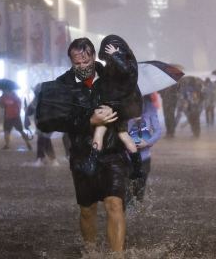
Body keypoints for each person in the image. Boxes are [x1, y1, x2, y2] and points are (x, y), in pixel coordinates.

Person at [39, 38, 128, 253]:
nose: (82, 67)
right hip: (82, 153)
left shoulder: (112, 77)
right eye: (76, 64)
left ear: (94, 57)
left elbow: (130, 105)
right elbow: (51, 121)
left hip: (112, 150)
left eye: (86, 63)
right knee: (88, 210)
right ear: (70, 61)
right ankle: (91, 253)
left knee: (114, 204)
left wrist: (116, 116)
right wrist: (89, 121)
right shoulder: (61, 86)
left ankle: (118, 256)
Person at [79, 35, 144, 180]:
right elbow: (108, 79)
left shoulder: (128, 66)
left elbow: (126, 71)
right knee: (123, 135)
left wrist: (115, 55)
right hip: (119, 106)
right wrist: (98, 65)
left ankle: (92, 164)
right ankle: (138, 167)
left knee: (100, 131)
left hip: (114, 106)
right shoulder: (121, 67)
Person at [126, 95, 162, 205]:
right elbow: (118, 130)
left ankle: (137, 217)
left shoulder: (149, 107)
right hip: (126, 157)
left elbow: (158, 131)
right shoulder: (123, 107)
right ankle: (125, 218)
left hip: (144, 157)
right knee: (127, 191)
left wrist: (147, 143)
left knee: (139, 192)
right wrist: (132, 119)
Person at [26, 83, 59, 167]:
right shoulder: (35, 100)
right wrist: (27, 110)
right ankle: (54, 160)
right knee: (46, 141)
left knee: (41, 140)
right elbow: (30, 112)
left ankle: (39, 159)